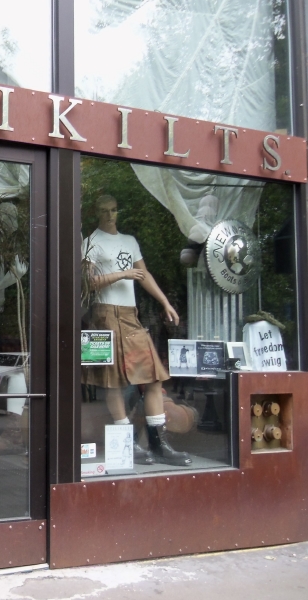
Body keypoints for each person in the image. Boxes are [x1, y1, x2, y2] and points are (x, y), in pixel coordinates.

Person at [82, 195, 191, 467]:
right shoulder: (90, 242)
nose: (110, 215)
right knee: (115, 382)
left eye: (113, 210)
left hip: (130, 316)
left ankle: (159, 444)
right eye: (104, 211)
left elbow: (144, 275)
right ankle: (125, 444)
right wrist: (122, 274)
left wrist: (165, 302)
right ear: (96, 213)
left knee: (153, 378)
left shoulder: (129, 241)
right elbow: (86, 283)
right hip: (104, 315)